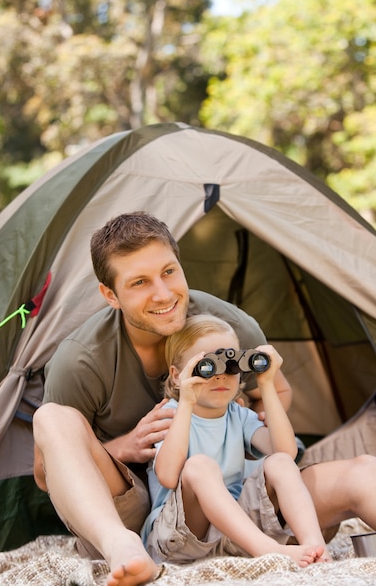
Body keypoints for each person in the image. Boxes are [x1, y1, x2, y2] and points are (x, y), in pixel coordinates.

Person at [33, 211, 376, 586]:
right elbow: (44, 473)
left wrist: (240, 411)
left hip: (241, 498)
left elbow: (276, 392)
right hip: (140, 510)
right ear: (110, 295)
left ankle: (279, 541)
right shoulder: (83, 359)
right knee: (50, 417)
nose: (163, 294)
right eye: (139, 283)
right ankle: (122, 549)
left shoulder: (225, 325)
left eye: (168, 272)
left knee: (362, 471)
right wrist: (125, 448)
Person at [142, 314, 331, 566]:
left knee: (280, 463)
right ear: (177, 376)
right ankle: (268, 549)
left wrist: (266, 383)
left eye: (230, 366)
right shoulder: (170, 415)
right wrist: (186, 401)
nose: (220, 376)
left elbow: (286, 452)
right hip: (181, 537)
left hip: (237, 533)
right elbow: (167, 476)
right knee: (200, 465)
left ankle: (315, 548)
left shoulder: (239, 415)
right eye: (207, 366)